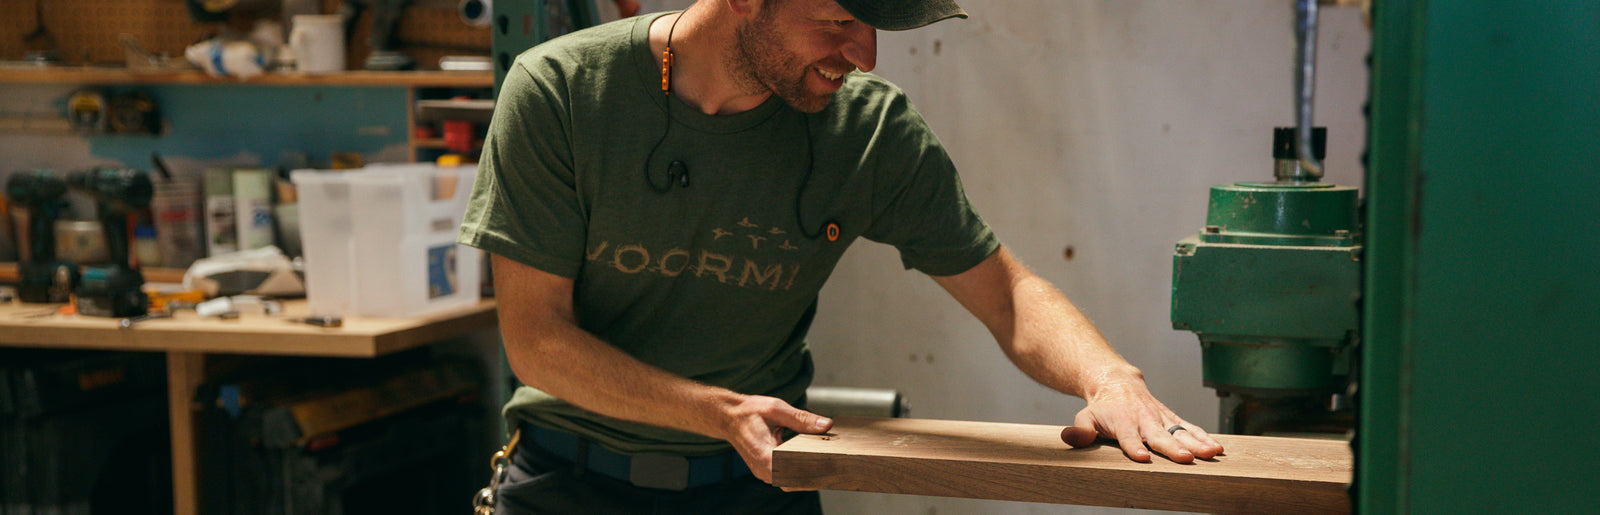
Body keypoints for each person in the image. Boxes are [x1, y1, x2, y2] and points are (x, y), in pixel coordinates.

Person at [458, 0, 1224, 512]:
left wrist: (1109, 376)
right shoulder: (561, 93)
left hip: (751, 488)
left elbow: (1007, 293)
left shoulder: (870, 135)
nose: (863, 52)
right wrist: (718, 412)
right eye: (839, 21)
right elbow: (537, 341)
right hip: (568, 484)